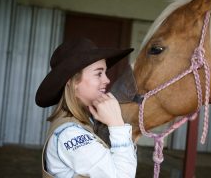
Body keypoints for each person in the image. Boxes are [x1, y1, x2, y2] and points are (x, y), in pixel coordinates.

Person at [35, 37, 137, 178]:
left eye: (105, 73)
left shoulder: (82, 124)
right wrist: (117, 125)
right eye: (98, 73)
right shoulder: (70, 134)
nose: (106, 80)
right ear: (73, 82)